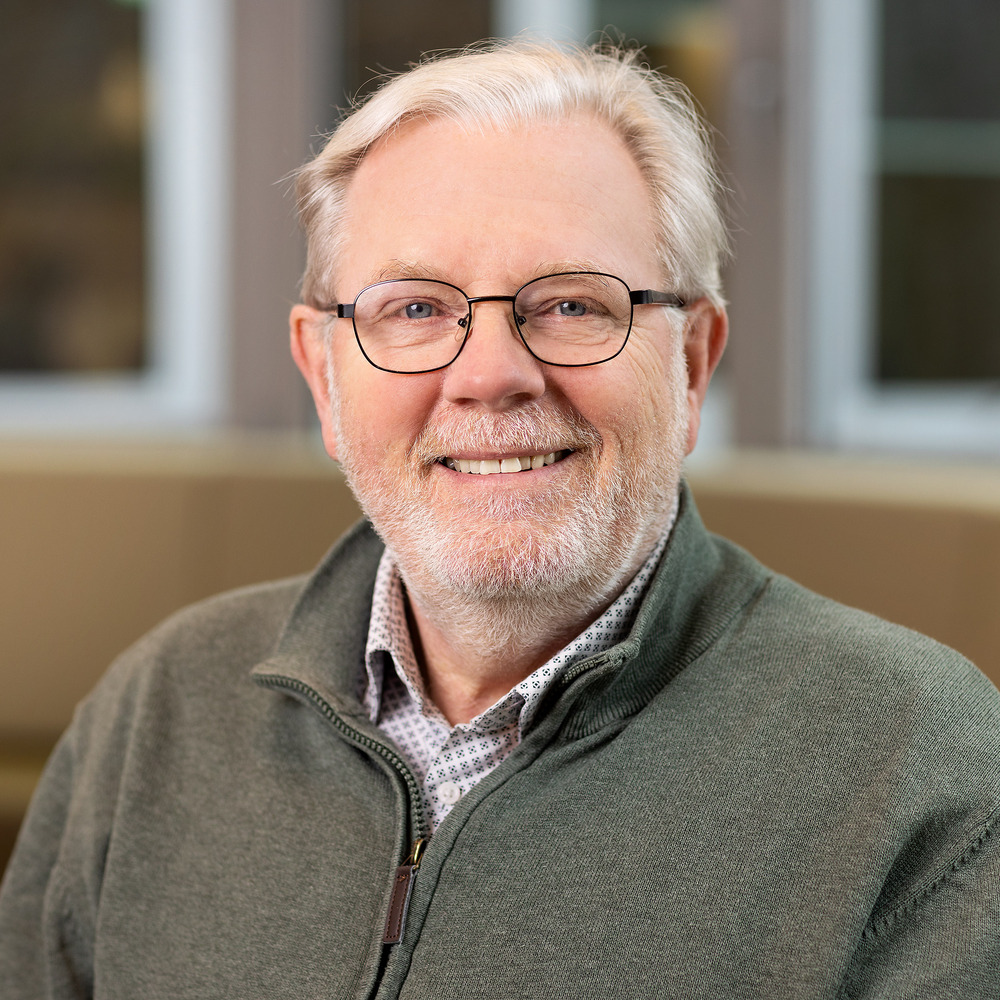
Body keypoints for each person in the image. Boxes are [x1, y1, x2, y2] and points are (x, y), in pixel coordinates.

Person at [2, 39, 999, 999]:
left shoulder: (921, 767)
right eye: (414, 309)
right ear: (323, 377)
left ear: (691, 364)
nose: (489, 375)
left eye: (571, 305)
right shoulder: (161, 709)